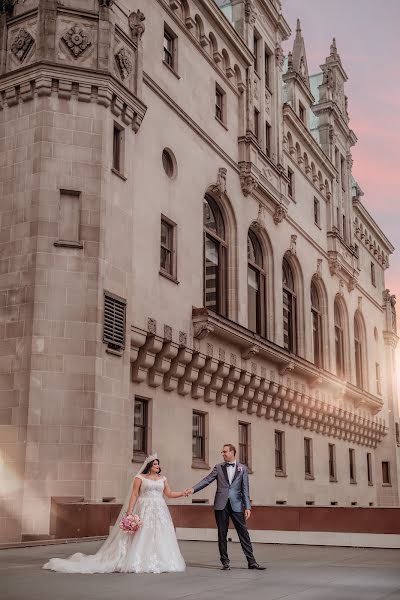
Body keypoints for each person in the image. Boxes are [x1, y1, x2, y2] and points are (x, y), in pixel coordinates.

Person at [43, 453, 186, 574]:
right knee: (143, 533)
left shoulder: (163, 479)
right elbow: (135, 495)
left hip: (160, 509)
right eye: (154, 464)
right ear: (149, 466)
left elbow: (169, 493)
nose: (157, 466)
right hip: (144, 508)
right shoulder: (140, 478)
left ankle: (161, 559)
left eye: (158, 464)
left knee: (160, 533)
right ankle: (138, 559)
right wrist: (130, 511)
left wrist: (183, 493)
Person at [184, 443, 265, 571]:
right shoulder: (218, 467)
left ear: (232, 452)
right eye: (222, 452)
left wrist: (247, 507)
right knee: (222, 533)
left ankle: (252, 562)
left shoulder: (242, 469)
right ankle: (225, 562)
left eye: (225, 451)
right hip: (221, 505)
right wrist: (193, 489)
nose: (223, 454)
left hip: (237, 505)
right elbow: (207, 480)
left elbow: (245, 489)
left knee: (243, 533)